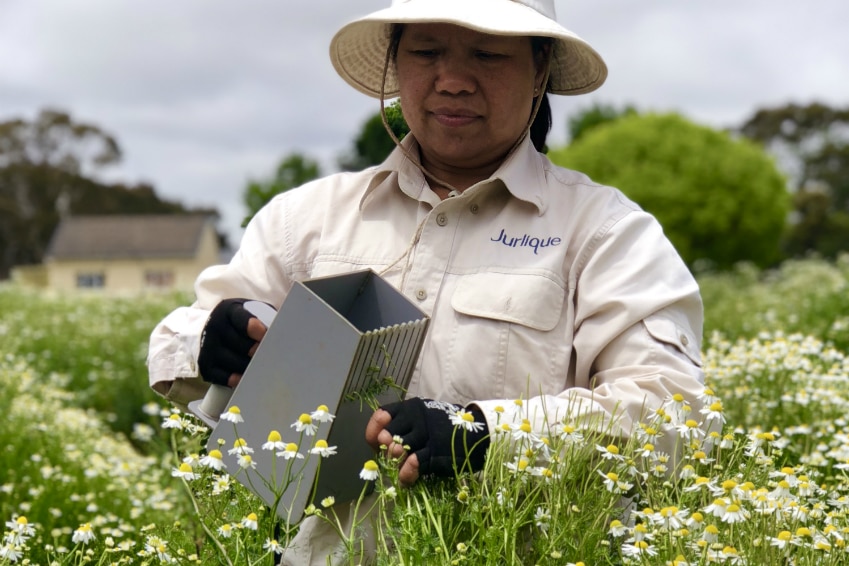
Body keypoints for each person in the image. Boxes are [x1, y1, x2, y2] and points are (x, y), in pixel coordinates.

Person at [148, 0, 707, 563]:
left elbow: (675, 414)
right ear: (395, 61)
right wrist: (207, 344)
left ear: (540, 70)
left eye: (487, 54)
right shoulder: (307, 219)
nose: (454, 81)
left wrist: (485, 434)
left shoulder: (605, 233)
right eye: (426, 51)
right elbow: (188, 341)